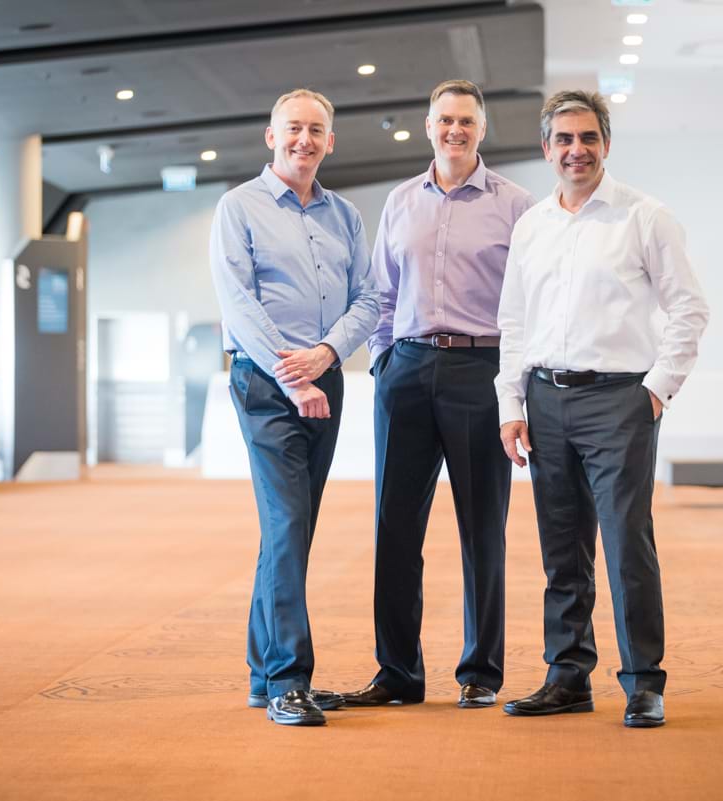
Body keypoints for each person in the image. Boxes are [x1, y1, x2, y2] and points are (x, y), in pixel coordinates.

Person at [495, 90, 709, 728]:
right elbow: (513, 322)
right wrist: (512, 403)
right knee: (562, 550)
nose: (576, 150)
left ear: (606, 144)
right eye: (563, 139)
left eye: (587, 138)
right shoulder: (532, 225)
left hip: (619, 400)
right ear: (547, 149)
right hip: (545, 400)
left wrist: (656, 389)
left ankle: (644, 681)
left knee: (625, 545)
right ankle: (568, 677)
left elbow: (689, 309)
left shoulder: (645, 216)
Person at [340, 80, 533, 709]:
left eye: (466, 121)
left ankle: (481, 671)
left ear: (482, 129)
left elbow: (528, 303)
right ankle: (397, 672)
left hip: (481, 372)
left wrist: (514, 387)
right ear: (428, 126)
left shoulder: (516, 206)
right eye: (445, 119)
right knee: (394, 528)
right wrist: (384, 361)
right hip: (407, 372)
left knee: (483, 529)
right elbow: (382, 294)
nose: (455, 130)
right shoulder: (400, 202)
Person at [208, 88, 379, 727]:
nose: (303, 140)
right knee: (286, 526)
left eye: (315, 131)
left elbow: (369, 299)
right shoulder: (238, 208)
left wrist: (327, 356)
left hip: (323, 379)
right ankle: (287, 679)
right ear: (270, 135)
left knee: (293, 529)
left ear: (329, 142)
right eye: (292, 129)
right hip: (265, 383)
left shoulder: (345, 217)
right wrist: (293, 373)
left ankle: (262, 673)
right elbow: (239, 303)